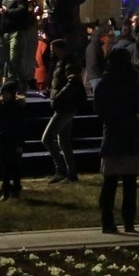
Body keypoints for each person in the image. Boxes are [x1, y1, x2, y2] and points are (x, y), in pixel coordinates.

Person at [93, 46, 139, 232]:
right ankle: (129, 222)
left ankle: (107, 221)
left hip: (113, 132)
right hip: (131, 133)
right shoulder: (132, 79)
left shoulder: (105, 82)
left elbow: (98, 108)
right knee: (130, 183)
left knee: (110, 181)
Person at [42, 40, 84, 184]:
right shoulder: (63, 63)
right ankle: (71, 173)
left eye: (53, 48)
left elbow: (73, 82)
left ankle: (61, 170)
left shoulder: (68, 64)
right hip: (65, 106)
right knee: (64, 141)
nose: (51, 51)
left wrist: (59, 95)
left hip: (65, 107)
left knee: (47, 138)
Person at [0, 80, 29, 200]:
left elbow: (21, 128)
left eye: (7, 93)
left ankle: (15, 189)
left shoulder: (18, 109)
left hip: (13, 141)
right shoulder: (0, 109)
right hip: (2, 141)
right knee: (5, 168)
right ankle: (5, 190)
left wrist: (20, 144)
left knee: (15, 167)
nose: (5, 95)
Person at [0, 0, 39, 88]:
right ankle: (13, 83)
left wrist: (8, 11)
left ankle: (22, 82)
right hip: (5, 31)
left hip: (16, 31)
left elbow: (22, 10)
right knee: (8, 60)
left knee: (14, 58)